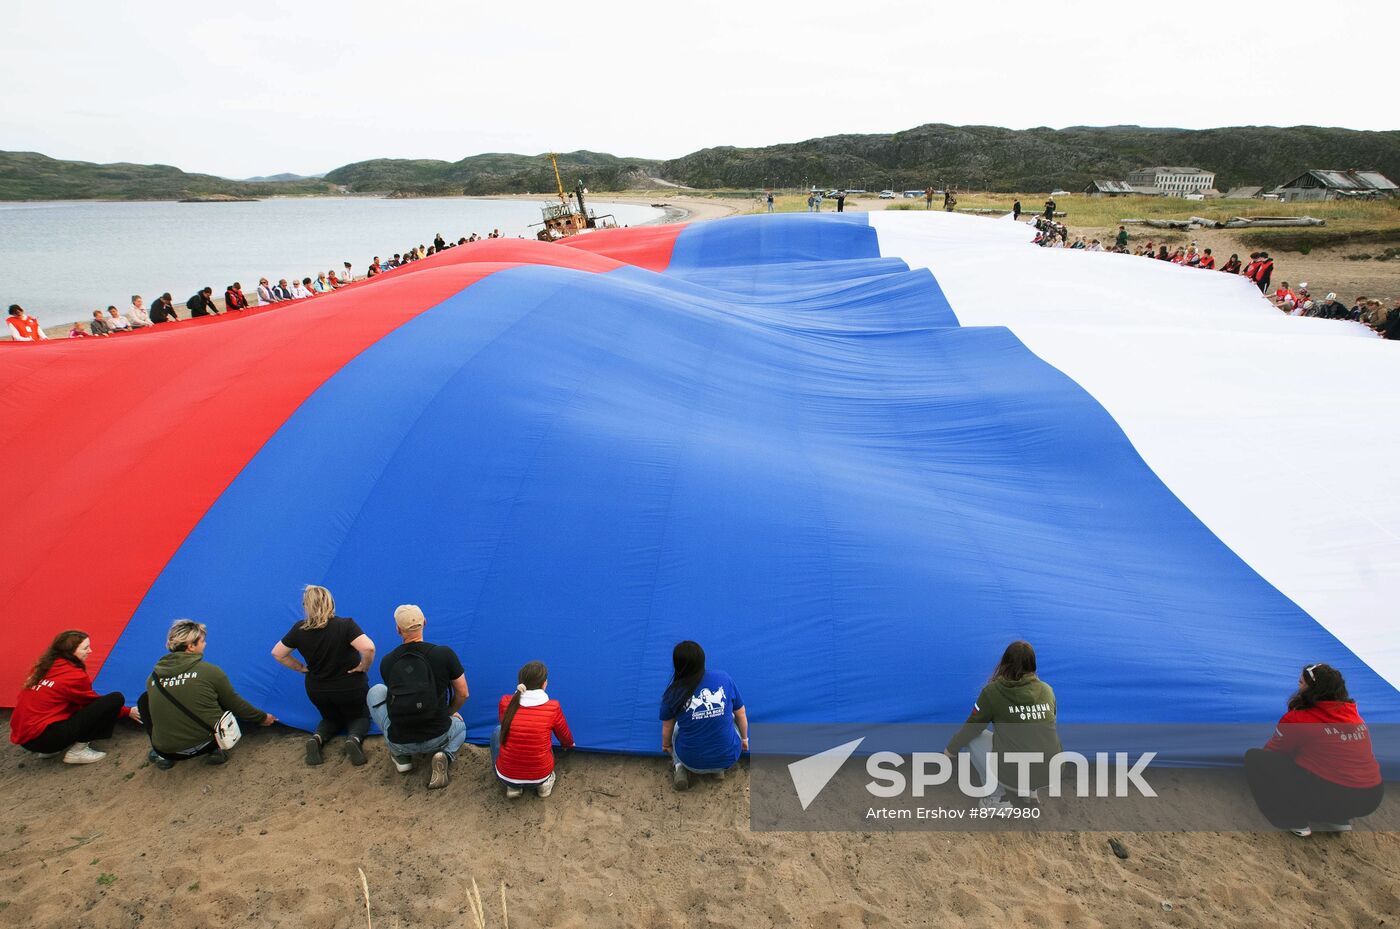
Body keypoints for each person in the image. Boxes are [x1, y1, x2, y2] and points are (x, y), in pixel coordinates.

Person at [1244, 664, 1383, 836]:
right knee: (1331, 767)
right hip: (1372, 797)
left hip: (1334, 795)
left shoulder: (1299, 719)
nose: (1298, 687)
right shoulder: (1354, 716)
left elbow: (1274, 752)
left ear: (1313, 690)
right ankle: (1337, 818)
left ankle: (1291, 819)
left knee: (1256, 759)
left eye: (1301, 683)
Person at [141, 619, 276, 768]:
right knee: (217, 695)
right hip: (207, 743)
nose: (205, 644)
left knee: (143, 700)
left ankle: (161, 754)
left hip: (167, 751)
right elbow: (235, 704)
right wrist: (262, 718)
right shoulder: (209, 672)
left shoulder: (152, 678)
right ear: (191, 646)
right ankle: (214, 751)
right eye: (202, 641)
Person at [944, 641, 1060, 807]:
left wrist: (950, 751)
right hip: (1050, 770)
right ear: (1033, 664)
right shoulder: (1047, 690)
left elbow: (972, 728)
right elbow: (1049, 724)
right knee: (1035, 736)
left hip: (1017, 770)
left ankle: (998, 799)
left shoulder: (992, 692)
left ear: (1005, 663)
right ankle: (1030, 792)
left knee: (975, 737)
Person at [272, 585, 375, 766]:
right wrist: (363, 666)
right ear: (330, 602)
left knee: (330, 718)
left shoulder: (299, 629)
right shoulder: (345, 625)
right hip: (349, 687)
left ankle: (317, 739)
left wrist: (300, 667)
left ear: (306, 605)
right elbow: (368, 647)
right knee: (359, 716)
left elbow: (278, 653)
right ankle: (354, 740)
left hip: (318, 690)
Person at [367, 605, 468, 790]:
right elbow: (463, 693)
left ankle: (401, 757)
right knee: (460, 727)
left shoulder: (388, 662)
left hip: (400, 740)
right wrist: (449, 712)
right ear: (425, 623)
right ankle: (445, 756)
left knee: (375, 691)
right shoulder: (444, 654)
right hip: (438, 735)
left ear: (398, 629)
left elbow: (394, 697)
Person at [9, 630, 138, 764]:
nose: (90, 651)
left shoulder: (42, 667)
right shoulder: (74, 676)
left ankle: (49, 749)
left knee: (63, 707)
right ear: (70, 652)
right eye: (85, 648)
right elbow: (91, 703)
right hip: (46, 738)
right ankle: (78, 751)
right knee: (115, 699)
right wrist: (127, 711)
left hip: (26, 738)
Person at [659, 640, 748, 791]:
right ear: (702, 660)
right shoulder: (724, 678)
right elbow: (741, 713)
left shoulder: (673, 693)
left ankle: (679, 766)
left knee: (676, 727)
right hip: (728, 759)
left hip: (692, 762)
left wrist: (666, 745)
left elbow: (667, 728)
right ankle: (718, 770)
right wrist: (744, 739)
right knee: (730, 718)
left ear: (677, 665)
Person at [491, 661, 575, 799]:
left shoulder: (505, 701)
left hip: (506, 776)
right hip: (540, 776)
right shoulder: (552, 707)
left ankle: (513, 787)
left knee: (498, 730)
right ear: (544, 683)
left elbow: (505, 725)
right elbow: (563, 734)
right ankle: (545, 785)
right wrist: (569, 745)